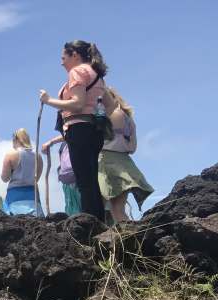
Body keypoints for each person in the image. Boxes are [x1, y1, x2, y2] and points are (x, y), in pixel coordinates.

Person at [39, 40, 116, 222]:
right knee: (91, 179)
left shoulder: (77, 72)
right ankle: (99, 223)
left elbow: (77, 103)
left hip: (78, 129)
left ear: (75, 55)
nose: (62, 62)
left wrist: (48, 100)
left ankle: (89, 225)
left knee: (84, 181)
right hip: (94, 131)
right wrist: (96, 115)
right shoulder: (96, 74)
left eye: (63, 57)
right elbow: (111, 106)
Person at [98, 88, 154, 222]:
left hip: (106, 162)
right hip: (125, 163)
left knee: (97, 210)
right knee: (118, 210)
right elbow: (133, 148)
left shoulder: (104, 114)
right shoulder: (129, 120)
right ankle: (132, 238)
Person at [0, 128, 44, 216]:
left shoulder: (10, 155)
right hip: (33, 197)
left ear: (16, 139)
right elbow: (36, 179)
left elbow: (5, 178)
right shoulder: (38, 156)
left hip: (14, 197)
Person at [42, 136, 82, 216]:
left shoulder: (77, 133)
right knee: (71, 210)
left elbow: (71, 132)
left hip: (79, 179)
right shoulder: (64, 145)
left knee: (82, 209)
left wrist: (51, 142)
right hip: (68, 180)